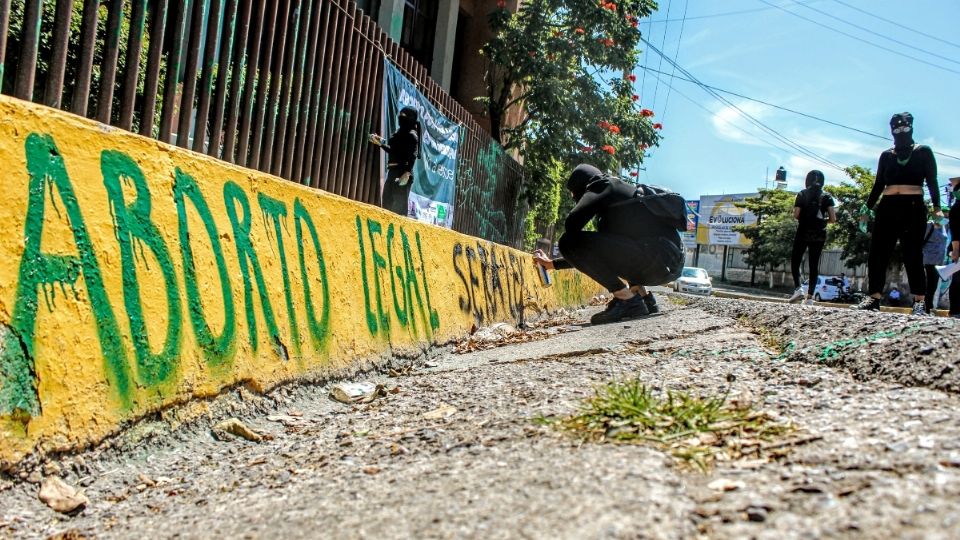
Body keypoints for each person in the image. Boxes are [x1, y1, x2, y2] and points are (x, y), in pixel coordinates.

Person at [532, 164, 684, 324]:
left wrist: (590, 195)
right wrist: (552, 265)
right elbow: (595, 255)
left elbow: (571, 225)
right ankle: (643, 297)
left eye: (574, 194)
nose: (574, 198)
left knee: (567, 241)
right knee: (625, 244)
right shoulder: (624, 197)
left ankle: (627, 300)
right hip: (669, 266)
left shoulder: (604, 184)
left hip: (655, 260)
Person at [853, 112, 941, 315]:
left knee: (913, 254)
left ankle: (919, 301)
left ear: (911, 127)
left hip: (913, 206)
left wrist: (936, 206)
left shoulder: (923, 151)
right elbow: (878, 184)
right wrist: (867, 208)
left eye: (905, 127)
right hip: (887, 206)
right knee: (878, 253)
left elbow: (932, 180)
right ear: (891, 130)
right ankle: (873, 298)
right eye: (896, 128)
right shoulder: (886, 155)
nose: (901, 131)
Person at [788, 170, 837, 305]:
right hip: (819, 233)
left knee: (796, 260)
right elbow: (833, 218)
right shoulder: (827, 196)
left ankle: (798, 289)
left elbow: (796, 215)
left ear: (807, 180)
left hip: (803, 230)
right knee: (814, 264)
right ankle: (809, 298)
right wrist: (821, 221)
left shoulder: (802, 194)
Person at [369, 106, 421, 216]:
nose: (401, 118)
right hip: (392, 172)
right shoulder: (398, 133)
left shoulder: (412, 135)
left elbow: (413, 155)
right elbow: (393, 151)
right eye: (400, 116)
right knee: (387, 205)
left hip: (402, 173)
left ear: (411, 119)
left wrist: (407, 173)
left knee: (399, 209)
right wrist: (380, 144)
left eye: (404, 116)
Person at [921, 217, 948, 313]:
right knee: (928, 285)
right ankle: (925, 307)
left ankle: (928, 306)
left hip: (938, 262)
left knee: (933, 286)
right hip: (928, 260)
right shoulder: (929, 225)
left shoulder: (944, 227)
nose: (946, 215)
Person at [948, 177, 960, 317]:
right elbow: (956, 232)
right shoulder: (957, 208)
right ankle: (956, 310)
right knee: (957, 280)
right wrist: (956, 250)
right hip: (958, 248)